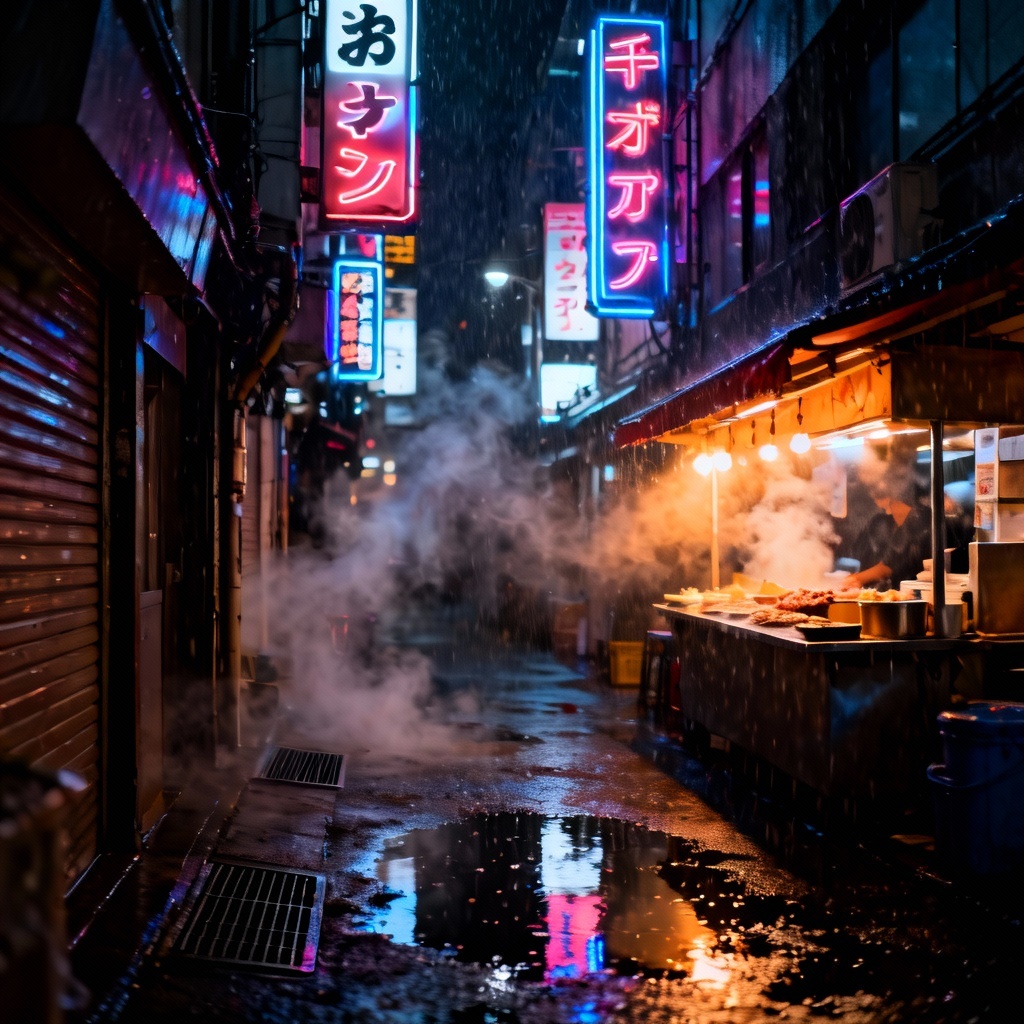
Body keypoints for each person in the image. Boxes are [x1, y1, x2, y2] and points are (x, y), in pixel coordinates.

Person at [843, 447, 931, 592]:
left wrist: (856, 579)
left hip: (920, 595)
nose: (873, 496)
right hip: (895, 592)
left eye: (874, 490)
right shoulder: (885, 521)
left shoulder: (919, 518)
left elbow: (889, 565)